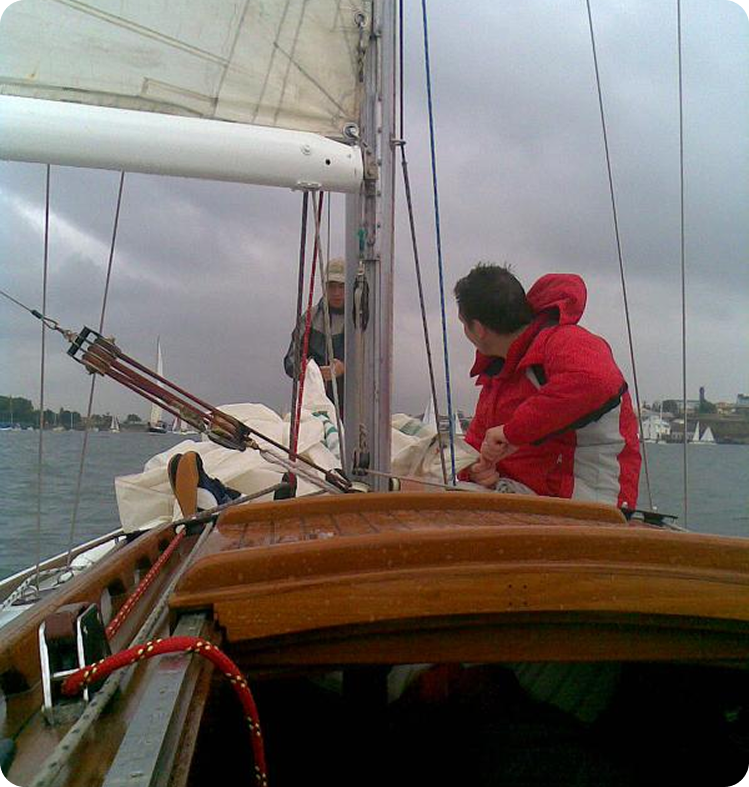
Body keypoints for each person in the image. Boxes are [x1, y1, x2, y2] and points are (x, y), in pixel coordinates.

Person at [454, 263, 641, 509]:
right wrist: (475, 469)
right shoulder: (498, 373)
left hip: (586, 504)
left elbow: (596, 382)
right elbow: (476, 445)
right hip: (531, 498)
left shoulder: (563, 341)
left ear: (478, 329)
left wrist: (513, 432)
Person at [284, 257, 346, 407]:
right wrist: (313, 372)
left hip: (355, 406)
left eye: (341, 286)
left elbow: (375, 364)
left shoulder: (362, 321)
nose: (336, 292)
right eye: (331, 286)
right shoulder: (310, 319)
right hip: (317, 406)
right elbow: (290, 362)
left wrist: (344, 368)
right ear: (324, 286)